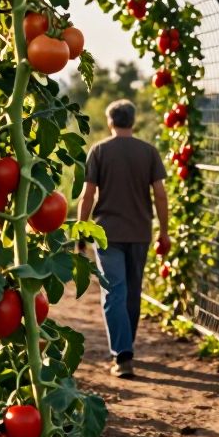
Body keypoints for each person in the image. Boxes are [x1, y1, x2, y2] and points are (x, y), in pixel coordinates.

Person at [78, 99, 170, 379]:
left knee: (114, 292)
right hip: (140, 232)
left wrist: (81, 230)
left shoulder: (99, 151)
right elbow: (160, 194)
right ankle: (125, 349)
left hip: (107, 234)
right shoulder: (149, 152)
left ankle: (123, 353)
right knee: (132, 291)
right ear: (133, 121)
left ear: (110, 122)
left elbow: (88, 194)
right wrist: (164, 231)